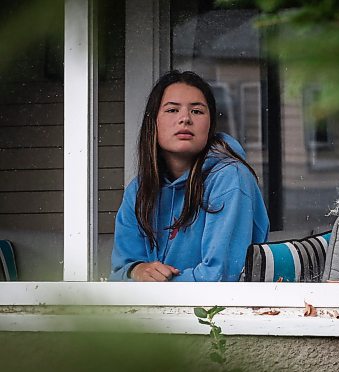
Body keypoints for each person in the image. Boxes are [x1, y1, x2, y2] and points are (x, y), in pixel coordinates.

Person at [109, 70, 269, 282]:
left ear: (210, 124)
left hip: (220, 313)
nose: (185, 119)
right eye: (172, 110)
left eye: (197, 111)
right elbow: (119, 273)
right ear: (153, 122)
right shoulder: (138, 190)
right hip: (151, 312)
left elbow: (222, 277)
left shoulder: (231, 178)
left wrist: (157, 286)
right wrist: (137, 271)